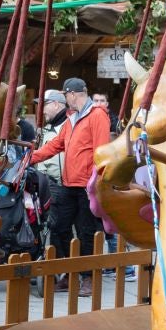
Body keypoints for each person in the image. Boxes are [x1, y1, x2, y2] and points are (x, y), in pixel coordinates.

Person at [26, 76, 114, 294]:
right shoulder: (72, 118)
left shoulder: (97, 116)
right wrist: (29, 159)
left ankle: (88, 277)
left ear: (73, 94)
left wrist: (96, 182)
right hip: (69, 184)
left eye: (66, 96)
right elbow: (55, 145)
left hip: (86, 186)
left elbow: (101, 151)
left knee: (86, 232)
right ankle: (71, 272)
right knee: (57, 227)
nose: (65, 100)